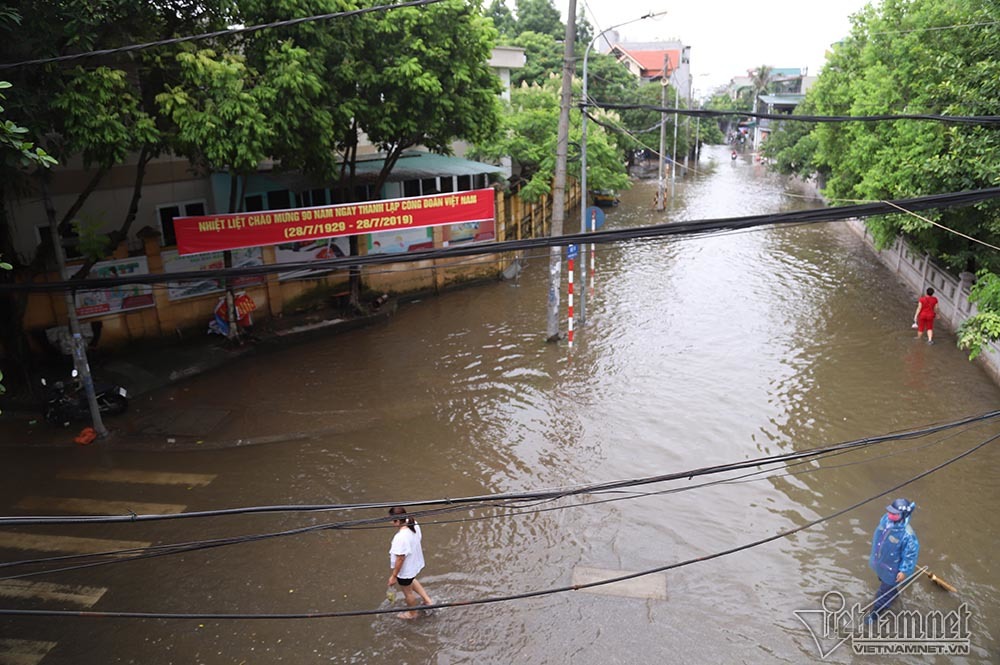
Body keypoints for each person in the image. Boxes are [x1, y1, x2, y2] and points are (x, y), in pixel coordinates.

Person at [868, 498, 919, 621]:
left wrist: (904, 571)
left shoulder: (907, 535)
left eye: (894, 514)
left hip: (893, 569)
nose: (890, 515)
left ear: (903, 515)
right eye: (890, 512)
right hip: (882, 561)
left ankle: (876, 614)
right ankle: (893, 593)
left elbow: (910, 555)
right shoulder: (886, 521)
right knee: (883, 581)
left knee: (883, 594)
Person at [387, 506, 433, 619]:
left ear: (397, 521)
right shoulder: (414, 523)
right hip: (414, 563)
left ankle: (412, 613)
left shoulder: (400, 538)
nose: (390, 522)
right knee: (411, 580)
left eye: (392, 520)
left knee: (408, 593)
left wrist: (394, 576)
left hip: (406, 568)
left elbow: (400, 558)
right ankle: (428, 601)